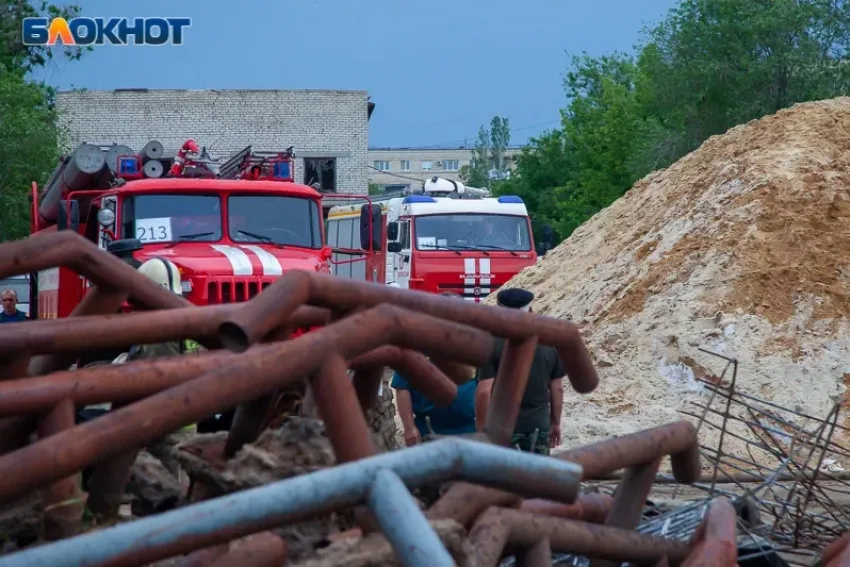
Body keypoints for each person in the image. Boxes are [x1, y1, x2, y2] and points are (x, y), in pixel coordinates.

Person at [127, 257, 203, 483]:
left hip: (165, 419)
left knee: (170, 482)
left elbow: (151, 376)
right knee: (182, 474)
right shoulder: (190, 317)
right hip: (188, 415)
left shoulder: (160, 327)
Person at [474, 287, 564, 455]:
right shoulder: (550, 341)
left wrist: (482, 429)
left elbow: (484, 391)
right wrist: (555, 423)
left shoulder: (489, 343)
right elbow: (557, 388)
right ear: (530, 310)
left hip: (502, 428)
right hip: (538, 425)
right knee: (538, 471)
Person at [392, 292, 477, 446]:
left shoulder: (474, 346)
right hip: (428, 432)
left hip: (469, 431)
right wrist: (409, 428)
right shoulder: (416, 346)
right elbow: (402, 388)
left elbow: (487, 385)